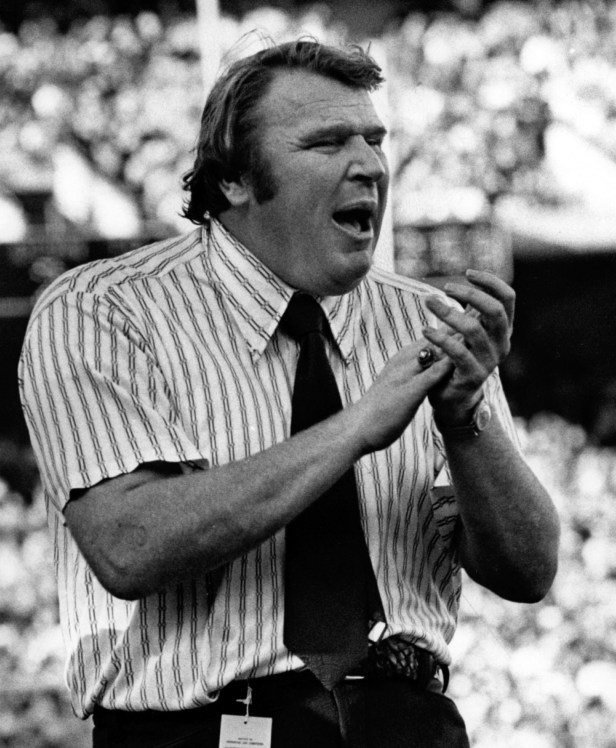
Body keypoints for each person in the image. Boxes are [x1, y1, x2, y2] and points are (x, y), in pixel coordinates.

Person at [19, 39, 559, 748]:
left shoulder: (423, 319)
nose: (367, 164)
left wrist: (464, 423)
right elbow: (130, 546)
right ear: (237, 178)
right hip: (206, 729)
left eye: (374, 139)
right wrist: (357, 427)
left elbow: (527, 569)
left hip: (405, 720)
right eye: (328, 142)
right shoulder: (105, 308)